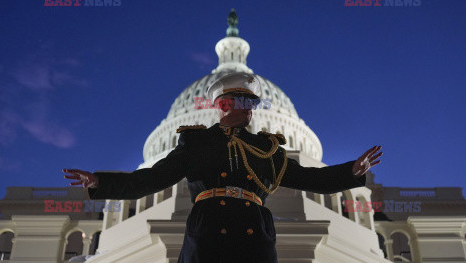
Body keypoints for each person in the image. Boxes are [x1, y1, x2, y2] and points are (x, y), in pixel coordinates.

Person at [63, 72, 383, 263]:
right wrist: (99, 183)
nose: (250, 111)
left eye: (252, 105)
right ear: (223, 105)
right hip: (209, 228)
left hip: (253, 229)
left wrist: (350, 172)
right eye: (244, 103)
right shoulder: (197, 144)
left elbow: (308, 178)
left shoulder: (266, 148)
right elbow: (150, 179)